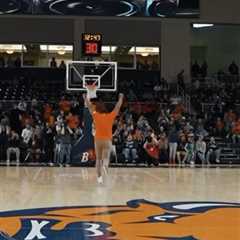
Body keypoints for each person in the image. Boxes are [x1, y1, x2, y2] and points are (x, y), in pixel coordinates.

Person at [83, 85, 124, 184]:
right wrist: (121, 98)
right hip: (107, 140)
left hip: (98, 140)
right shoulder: (110, 116)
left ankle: (99, 178)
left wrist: (85, 97)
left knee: (98, 159)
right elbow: (117, 107)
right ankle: (105, 166)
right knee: (106, 158)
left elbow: (88, 106)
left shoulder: (96, 115)